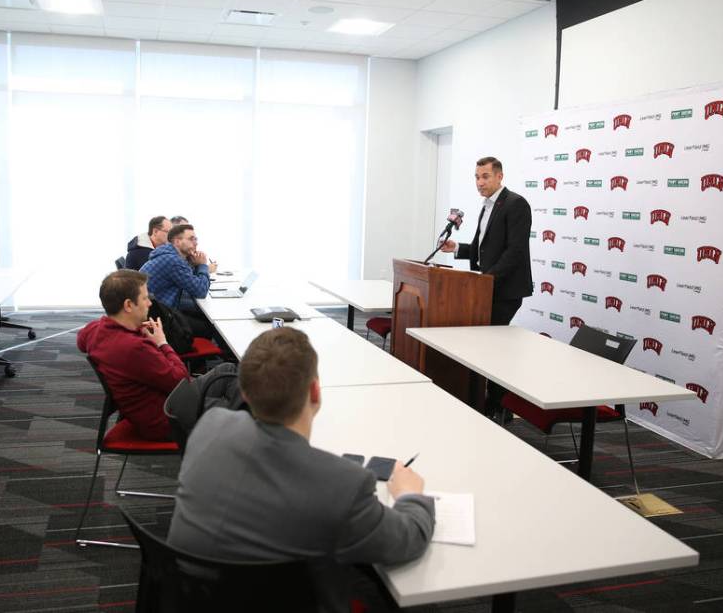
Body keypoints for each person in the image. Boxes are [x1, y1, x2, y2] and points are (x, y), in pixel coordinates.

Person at [168, 327, 434, 608]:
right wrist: (408, 495)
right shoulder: (344, 486)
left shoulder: (211, 424)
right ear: (315, 391)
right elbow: (408, 539)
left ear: (244, 393)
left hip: (193, 600)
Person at [441, 156, 532, 418]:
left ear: (500, 176)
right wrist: (457, 247)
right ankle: (489, 403)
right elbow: (484, 251)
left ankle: (497, 405)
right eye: (477, 177)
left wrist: (487, 279)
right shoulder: (486, 206)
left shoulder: (516, 204)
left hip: (505, 291)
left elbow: (514, 251)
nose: (480, 182)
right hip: (486, 288)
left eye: (485, 177)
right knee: (486, 347)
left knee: (494, 350)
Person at [76, 269, 187, 441]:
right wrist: (162, 342)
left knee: (225, 376)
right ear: (128, 305)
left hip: (148, 411)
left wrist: (133, 328)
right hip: (168, 420)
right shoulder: (136, 348)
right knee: (230, 388)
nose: (150, 303)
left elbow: (81, 341)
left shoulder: (95, 329)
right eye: (144, 298)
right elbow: (182, 382)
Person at [140, 223, 218, 339]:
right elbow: (200, 291)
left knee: (203, 316)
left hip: (159, 310)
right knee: (210, 327)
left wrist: (194, 265)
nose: (196, 243)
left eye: (196, 239)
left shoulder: (170, 256)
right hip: (160, 318)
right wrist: (202, 266)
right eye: (191, 239)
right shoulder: (173, 261)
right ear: (177, 242)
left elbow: (190, 281)